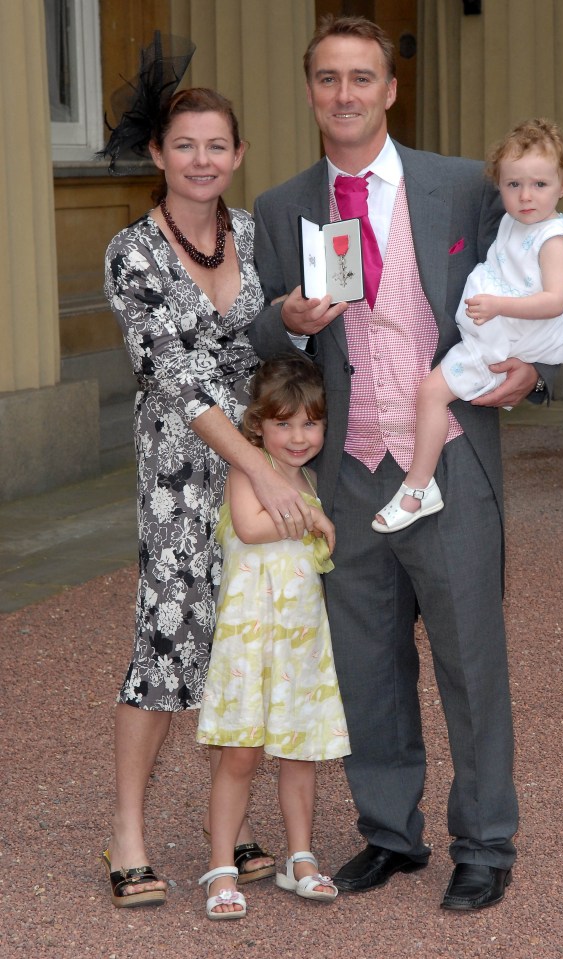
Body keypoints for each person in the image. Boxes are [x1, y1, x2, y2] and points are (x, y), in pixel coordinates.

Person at [249, 15, 557, 911]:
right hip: (347, 465)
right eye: (327, 78)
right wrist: (287, 322)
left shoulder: (462, 187)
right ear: (309, 90)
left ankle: (485, 842)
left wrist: (535, 369)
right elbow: (264, 345)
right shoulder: (280, 206)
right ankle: (389, 831)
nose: (344, 95)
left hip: (449, 457)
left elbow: (549, 263)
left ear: (389, 90)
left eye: (361, 78)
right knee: (366, 662)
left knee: (470, 661)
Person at [100, 43, 313, 908]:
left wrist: (292, 321)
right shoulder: (132, 253)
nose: (201, 160)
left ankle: (227, 825)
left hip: (257, 461)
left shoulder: (257, 234)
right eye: (184, 145)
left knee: (242, 637)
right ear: (158, 154)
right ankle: (128, 834)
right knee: (165, 643)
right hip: (184, 472)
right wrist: (260, 467)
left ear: (238, 155)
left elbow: (270, 352)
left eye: (216, 146)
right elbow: (179, 378)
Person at [374, 118, 563, 532]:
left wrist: (496, 305)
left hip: (510, 330)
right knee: (433, 393)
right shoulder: (514, 221)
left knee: (431, 393)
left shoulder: (553, 239)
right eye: (513, 185)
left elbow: (555, 301)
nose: (525, 196)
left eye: (540, 185)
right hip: (497, 323)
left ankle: (417, 490)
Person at [195, 355, 349, 919]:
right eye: (283, 423)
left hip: (298, 641)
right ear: (257, 425)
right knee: (241, 753)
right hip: (249, 642)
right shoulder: (251, 470)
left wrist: (315, 515)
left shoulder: (307, 478)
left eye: (310, 423)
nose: (298, 436)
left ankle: (300, 857)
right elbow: (250, 527)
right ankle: (221, 866)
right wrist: (313, 519)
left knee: (300, 751)